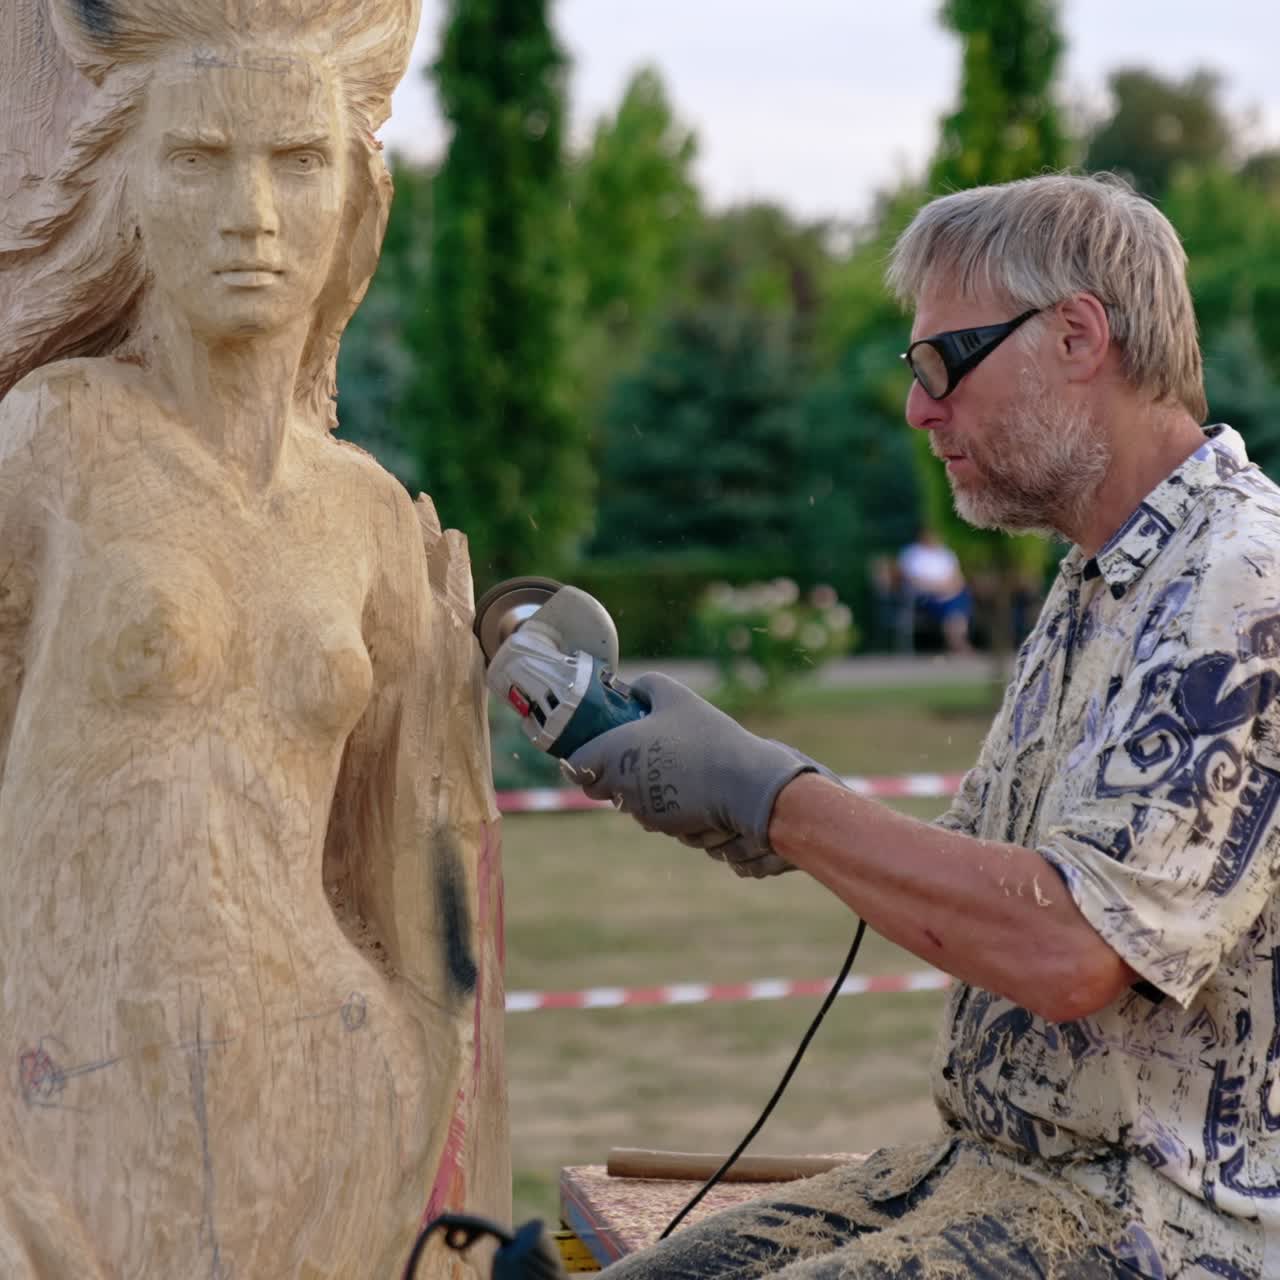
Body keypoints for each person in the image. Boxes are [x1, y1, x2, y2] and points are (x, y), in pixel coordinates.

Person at [564, 173, 1278, 1279]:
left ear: (1077, 336)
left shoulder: (1239, 582)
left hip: (1162, 1225)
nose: (917, 406)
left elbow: (1070, 950)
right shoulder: (1106, 574)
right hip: (997, 1171)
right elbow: (989, 877)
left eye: (942, 361)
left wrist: (775, 796)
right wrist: (744, 808)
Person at [0, 2, 501, 1274]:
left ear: (358, 204)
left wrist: (418, 1067)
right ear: (126, 191)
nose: (253, 216)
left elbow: (417, 837)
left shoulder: (367, 516)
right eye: (198, 159)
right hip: (58, 1085)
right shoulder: (53, 441)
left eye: (298, 161)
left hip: (327, 1094)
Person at [897, 526, 973, 654]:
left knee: (957, 603)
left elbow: (958, 579)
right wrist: (938, 589)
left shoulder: (947, 553)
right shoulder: (912, 554)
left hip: (951, 594)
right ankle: (959, 646)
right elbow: (913, 581)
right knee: (955, 608)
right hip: (925, 599)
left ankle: (957, 645)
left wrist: (949, 590)